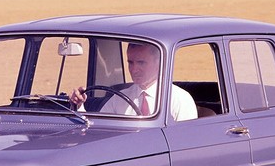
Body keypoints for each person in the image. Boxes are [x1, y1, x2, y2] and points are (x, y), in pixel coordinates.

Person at [69, 42, 197, 121]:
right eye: (130, 62)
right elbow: (98, 131)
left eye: (141, 63)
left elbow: (185, 144)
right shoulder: (120, 98)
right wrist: (79, 106)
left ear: (159, 63)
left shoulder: (179, 100)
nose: (134, 69)